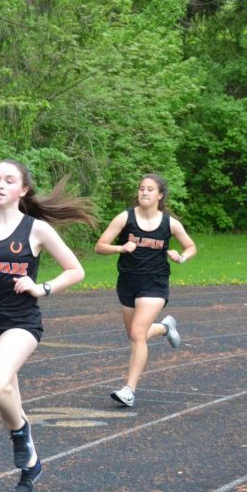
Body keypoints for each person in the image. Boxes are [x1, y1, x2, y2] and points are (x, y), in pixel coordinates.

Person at [0, 159, 96, 492]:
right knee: (7, 396)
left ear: (23, 190)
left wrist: (41, 287)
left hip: (22, 322)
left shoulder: (36, 229)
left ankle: (21, 433)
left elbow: (75, 270)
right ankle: (31, 463)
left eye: (8, 180)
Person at [94, 173, 197, 408]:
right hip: (128, 282)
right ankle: (164, 327)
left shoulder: (169, 223)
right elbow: (100, 246)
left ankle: (129, 390)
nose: (144, 192)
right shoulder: (124, 217)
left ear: (160, 195)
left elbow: (191, 246)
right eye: (141, 188)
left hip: (155, 283)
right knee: (134, 334)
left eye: (150, 189)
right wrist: (121, 247)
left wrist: (181, 257)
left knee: (138, 334)